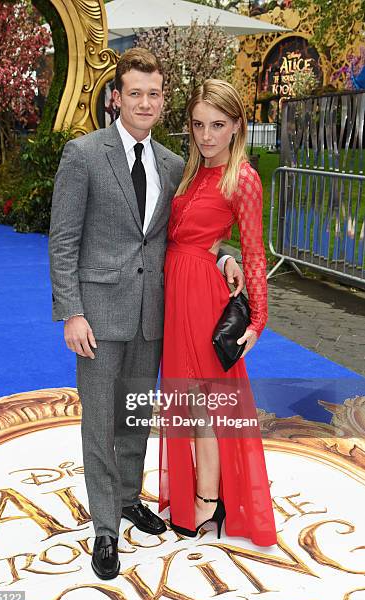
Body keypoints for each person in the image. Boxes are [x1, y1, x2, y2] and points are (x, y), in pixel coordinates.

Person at [49, 48, 245, 580]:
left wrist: (225, 256)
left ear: (164, 100)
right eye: (134, 92)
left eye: (154, 93)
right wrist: (71, 311)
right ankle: (105, 529)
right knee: (101, 421)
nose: (144, 101)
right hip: (98, 314)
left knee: (135, 414)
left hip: (154, 314)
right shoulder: (83, 154)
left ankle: (131, 498)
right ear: (117, 97)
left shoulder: (175, 166)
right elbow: (63, 240)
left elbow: (191, 234)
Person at [159, 79, 277, 547]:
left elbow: (254, 255)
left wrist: (258, 319)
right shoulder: (190, 173)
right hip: (177, 291)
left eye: (217, 125)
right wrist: (217, 255)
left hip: (204, 300)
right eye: (198, 125)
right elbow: (185, 238)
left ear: (236, 127)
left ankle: (208, 499)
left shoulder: (243, 178)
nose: (207, 135)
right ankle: (196, 496)